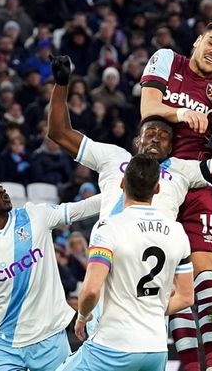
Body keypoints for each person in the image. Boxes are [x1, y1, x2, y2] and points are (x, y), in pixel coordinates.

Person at [47, 54, 212, 340]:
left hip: (151, 280)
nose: (157, 138)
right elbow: (59, 133)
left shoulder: (181, 170)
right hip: (111, 258)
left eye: (164, 136)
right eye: (150, 132)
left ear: (172, 147)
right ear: (137, 139)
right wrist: (61, 84)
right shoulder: (113, 157)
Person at [138, 21, 212, 371]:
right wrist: (182, 113)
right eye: (211, 42)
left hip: (197, 183)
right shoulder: (167, 60)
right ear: (198, 41)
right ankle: (189, 365)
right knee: (171, 279)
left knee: (205, 276)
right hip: (154, 180)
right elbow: (148, 108)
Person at [57, 155, 193, 371]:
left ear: (122, 183)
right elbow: (186, 297)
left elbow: (91, 290)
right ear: (157, 189)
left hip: (114, 345)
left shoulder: (108, 228)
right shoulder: (177, 231)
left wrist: (82, 317)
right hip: (156, 349)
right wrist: (150, 309)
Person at [0, 176, 101, 371]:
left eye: (0, 186)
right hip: (5, 344)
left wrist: (127, 192)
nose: (1, 191)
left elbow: (82, 208)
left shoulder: (36, 216)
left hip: (50, 339)